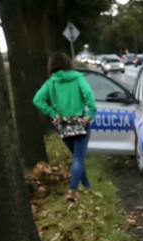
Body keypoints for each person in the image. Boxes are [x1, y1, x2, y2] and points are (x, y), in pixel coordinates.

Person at [33, 52, 96, 202]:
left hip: (63, 124)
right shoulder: (78, 78)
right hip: (80, 121)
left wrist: (53, 113)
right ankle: (72, 191)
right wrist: (90, 112)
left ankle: (87, 186)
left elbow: (37, 100)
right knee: (79, 159)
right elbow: (88, 95)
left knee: (77, 157)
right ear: (68, 63)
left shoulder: (51, 83)